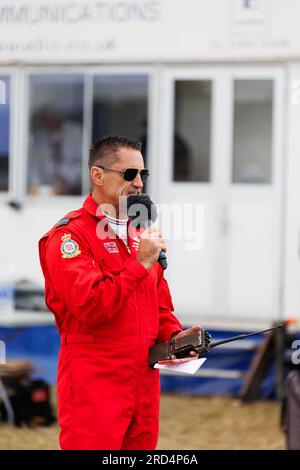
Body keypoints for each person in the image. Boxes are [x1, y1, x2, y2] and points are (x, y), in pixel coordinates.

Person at [38, 135, 201, 450]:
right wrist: (139, 263)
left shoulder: (141, 235)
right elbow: (91, 306)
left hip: (143, 385)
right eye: (129, 174)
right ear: (97, 175)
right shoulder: (69, 237)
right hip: (94, 387)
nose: (139, 183)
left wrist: (176, 341)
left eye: (143, 174)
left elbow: (160, 308)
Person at [28, 107, 82, 195]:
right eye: (45, 120)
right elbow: (34, 166)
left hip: (73, 186)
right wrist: (36, 186)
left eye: (51, 119)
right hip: (46, 187)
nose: (49, 122)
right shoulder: (39, 137)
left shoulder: (75, 133)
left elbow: (85, 162)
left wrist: (69, 177)